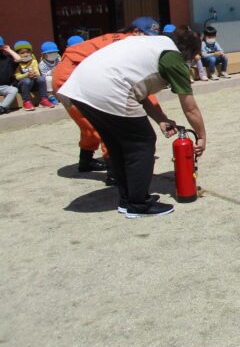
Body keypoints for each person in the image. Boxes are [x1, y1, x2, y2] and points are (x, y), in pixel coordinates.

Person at [58, 27, 207, 218]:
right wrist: (201, 136)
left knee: (117, 144)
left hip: (79, 87)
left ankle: (127, 199)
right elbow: (190, 108)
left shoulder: (152, 44)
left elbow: (137, 89)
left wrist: (160, 119)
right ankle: (139, 204)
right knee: (141, 143)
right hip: (106, 87)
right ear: (189, 53)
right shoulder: (172, 58)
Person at [53, 21, 162, 177]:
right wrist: (160, 117)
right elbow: (140, 85)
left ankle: (86, 161)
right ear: (137, 32)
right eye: (148, 36)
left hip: (67, 71)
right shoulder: (129, 45)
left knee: (89, 124)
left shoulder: (123, 40)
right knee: (107, 121)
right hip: (72, 75)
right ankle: (114, 171)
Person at [14, 41, 54, 111]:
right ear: (17, 54)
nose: (26, 55)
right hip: (22, 85)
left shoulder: (33, 61)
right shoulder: (16, 63)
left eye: (27, 52)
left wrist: (35, 74)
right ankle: (26, 101)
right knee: (27, 80)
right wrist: (27, 75)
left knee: (41, 79)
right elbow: (17, 77)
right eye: (22, 53)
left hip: (33, 82)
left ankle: (44, 99)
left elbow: (37, 73)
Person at [0, 36, 20, 115]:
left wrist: (8, 49)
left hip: (4, 86)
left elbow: (18, 59)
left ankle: (2, 107)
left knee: (14, 90)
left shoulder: (7, 58)